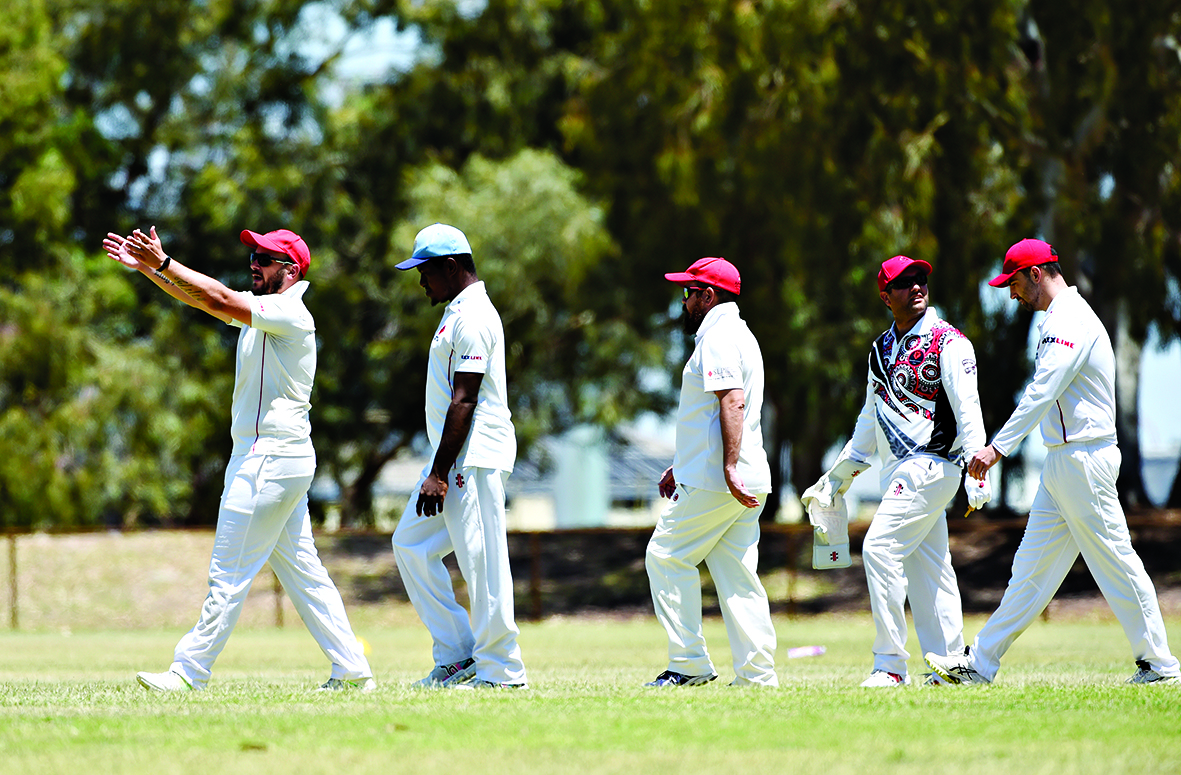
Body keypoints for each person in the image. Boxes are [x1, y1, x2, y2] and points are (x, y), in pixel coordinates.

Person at [103, 226, 374, 692]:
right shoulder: (263, 313)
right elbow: (204, 302)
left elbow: (218, 298)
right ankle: (352, 670)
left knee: (228, 573)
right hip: (278, 458)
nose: (254, 264)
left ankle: (189, 671)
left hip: (268, 459)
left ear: (291, 270)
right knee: (305, 573)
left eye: (265, 259)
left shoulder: (289, 312)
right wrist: (150, 269)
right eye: (253, 256)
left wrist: (164, 262)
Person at [925, 238, 1181, 686]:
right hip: (1063, 461)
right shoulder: (1058, 318)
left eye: (1014, 283)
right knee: (1029, 572)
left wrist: (997, 448)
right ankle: (980, 664)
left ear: (1036, 273)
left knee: (1117, 563)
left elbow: (1044, 389)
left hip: (1085, 457)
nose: (1011, 295)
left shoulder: (1070, 318)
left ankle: (1160, 666)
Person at [804, 255, 991, 688]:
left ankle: (889, 665)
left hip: (932, 464)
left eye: (921, 279)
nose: (917, 286)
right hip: (899, 473)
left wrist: (978, 469)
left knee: (879, 548)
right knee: (931, 568)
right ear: (886, 297)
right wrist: (836, 478)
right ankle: (952, 666)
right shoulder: (880, 349)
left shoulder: (950, 341)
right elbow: (868, 420)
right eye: (905, 283)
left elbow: (968, 409)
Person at [391, 223, 527, 690]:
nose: (420, 282)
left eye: (425, 271)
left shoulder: (474, 317)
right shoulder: (456, 312)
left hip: (473, 458)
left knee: (482, 563)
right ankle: (459, 654)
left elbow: (464, 399)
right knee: (410, 545)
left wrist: (438, 472)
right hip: (454, 461)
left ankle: (502, 671)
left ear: (450, 267)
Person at [645, 257, 778, 688]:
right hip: (741, 476)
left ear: (708, 295)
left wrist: (728, 466)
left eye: (688, 293)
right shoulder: (742, 334)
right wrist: (682, 463)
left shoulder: (717, 336)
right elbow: (711, 415)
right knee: (737, 573)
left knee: (665, 556)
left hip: (719, 480)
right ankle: (757, 675)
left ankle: (689, 664)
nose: (683, 301)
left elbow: (732, 401)